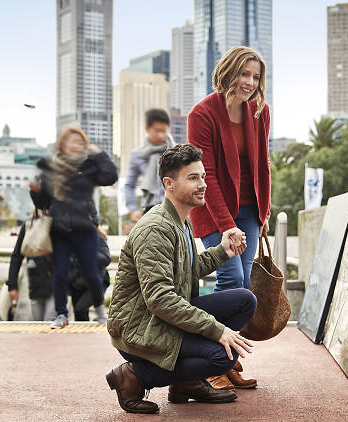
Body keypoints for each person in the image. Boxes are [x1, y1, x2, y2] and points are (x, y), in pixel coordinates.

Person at [105, 144, 257, 414]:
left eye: (203, 177)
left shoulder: (180, 221)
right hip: (141, 329)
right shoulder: (155, 228)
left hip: (162, 319)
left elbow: (186, 269)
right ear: (169, 184)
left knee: (245, 300)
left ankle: (185, 383)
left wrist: (223, 251)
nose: (203, 185)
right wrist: (216, 330)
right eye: (193, 178)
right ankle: (134, 376)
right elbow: (160, 299)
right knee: (223, 357)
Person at [187, 45, 271, 390]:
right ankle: (210, 362)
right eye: (244, 73)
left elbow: (262, 164)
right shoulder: (202, 114)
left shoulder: (259, 112)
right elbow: (207, 175)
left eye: (255, 76)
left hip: (250, 210)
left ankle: (228, 361)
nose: (249, 82)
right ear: (228, 71)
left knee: (243, 288)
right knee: (231, 280)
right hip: (213, 210)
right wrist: (227, 226)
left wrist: (263, 211)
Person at [29, 127, 118, 328]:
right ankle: (61, 314)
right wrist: (35, 192)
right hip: (59, 229)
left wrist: (99, 155)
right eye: (72, 141)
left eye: (80, 142)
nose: (76, 145)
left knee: (90, 272)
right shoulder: (52, 168)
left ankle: (100, 310)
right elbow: (42, 203)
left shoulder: (88, 167)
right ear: (63, 144)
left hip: (85, 228)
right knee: (59, 272)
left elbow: (110, 177)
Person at [124, 108, 176, 223]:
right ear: (147, 129)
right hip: (150, 210)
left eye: (164, 130)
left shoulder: (177, 152)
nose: (161, 135)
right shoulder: (138, 155)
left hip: (176, 208)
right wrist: (132, 210)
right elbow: (130, 185)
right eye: (157, 131)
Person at [6, 217, 56, 321]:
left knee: (50, 324)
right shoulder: (29, 225)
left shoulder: (58, 223)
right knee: (37, 325)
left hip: (55, 286)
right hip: (35, 286)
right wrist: (12, 284)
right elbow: (17, 256)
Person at [67, 226, 112, 321]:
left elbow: (106, 259)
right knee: (78, 314)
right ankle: (83, 334)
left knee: (80, 308)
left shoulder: (98, 238)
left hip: (97, 281)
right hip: (77, 282)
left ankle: (101, 321)